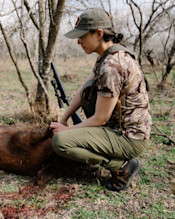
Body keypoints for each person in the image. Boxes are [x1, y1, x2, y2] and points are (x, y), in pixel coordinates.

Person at [50, 8, 152, 191]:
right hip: (117, 128)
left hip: (128, 137)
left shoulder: (112, 66)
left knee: (61, 142)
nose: (78, 42)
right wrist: (64, 117)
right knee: (65, 133)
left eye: (82, 36)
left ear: (99, 34)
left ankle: (122, 166)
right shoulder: (106, 57)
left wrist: (67, 130)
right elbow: (84, 89)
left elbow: (100, 118)